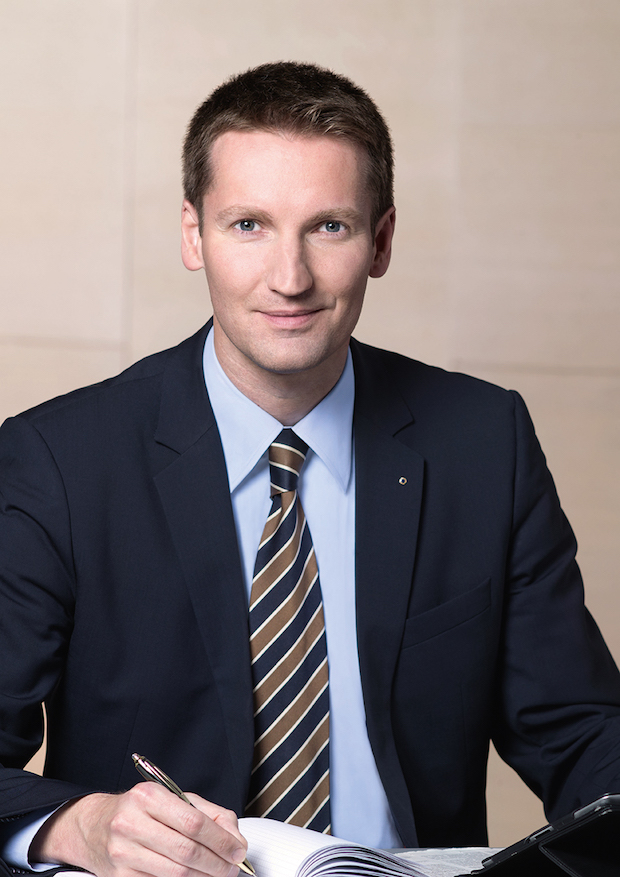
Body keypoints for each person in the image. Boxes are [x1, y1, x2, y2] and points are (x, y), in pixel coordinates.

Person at [1, 60, 620, 877]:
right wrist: (78, 827)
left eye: (328, 226)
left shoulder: (483, 443)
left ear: (381, 240)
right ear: (192, 233)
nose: (289, 279)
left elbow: (582, 733)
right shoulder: (60, 461)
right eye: (248, 225)